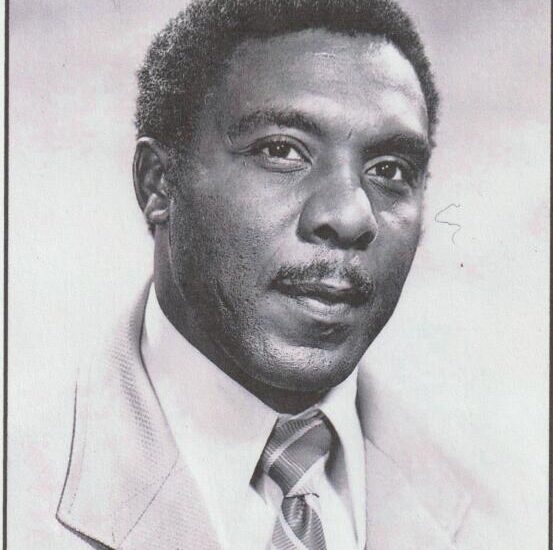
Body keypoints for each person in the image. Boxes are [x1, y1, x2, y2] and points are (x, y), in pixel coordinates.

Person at [57, 0, 481, 548]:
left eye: (390, 170)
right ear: (158, 183)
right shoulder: (19, 482)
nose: (351, 216)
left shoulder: (511, 507)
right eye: (282, 150)